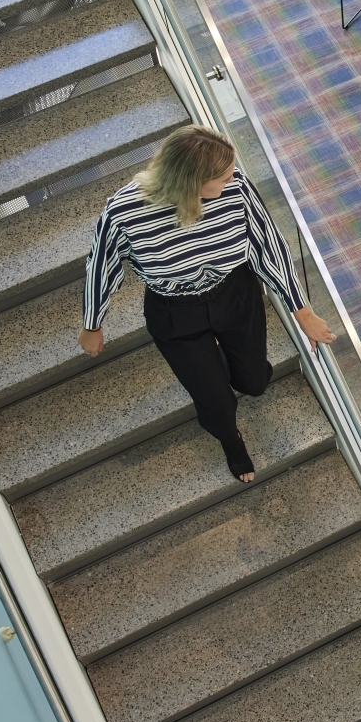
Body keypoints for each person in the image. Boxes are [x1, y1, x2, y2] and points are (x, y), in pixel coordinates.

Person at [79, 124, 337, 485]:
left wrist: (302, 311)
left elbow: (268, 243)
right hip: (174, 310)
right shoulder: (124, 211)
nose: (234, 178)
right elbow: (101, 265)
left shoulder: (237, 189)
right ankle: (231, 440)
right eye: (223, 175)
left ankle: (221, 361)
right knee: (215, 401)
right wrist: (92, 324)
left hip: (234, 293)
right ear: (191, 182)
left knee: (254, 383)